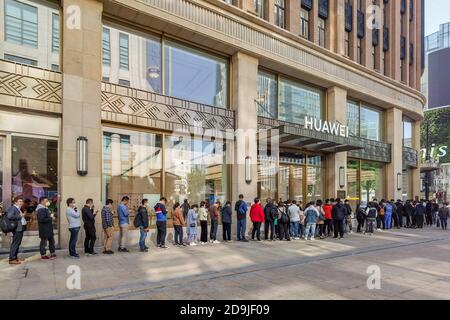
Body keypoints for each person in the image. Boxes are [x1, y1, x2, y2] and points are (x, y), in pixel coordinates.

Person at [7, 197, 26, 265]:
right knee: (15, 243)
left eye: (22, 201)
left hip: (20, 228)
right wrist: (20, 216)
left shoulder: (18, 208)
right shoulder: (13, 208)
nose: (21, 203)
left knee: (17, 243)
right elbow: (9, 216)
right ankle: (12, 259)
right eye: (20, 201)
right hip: (17, 229)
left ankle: (15, 257)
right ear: (15, 202)